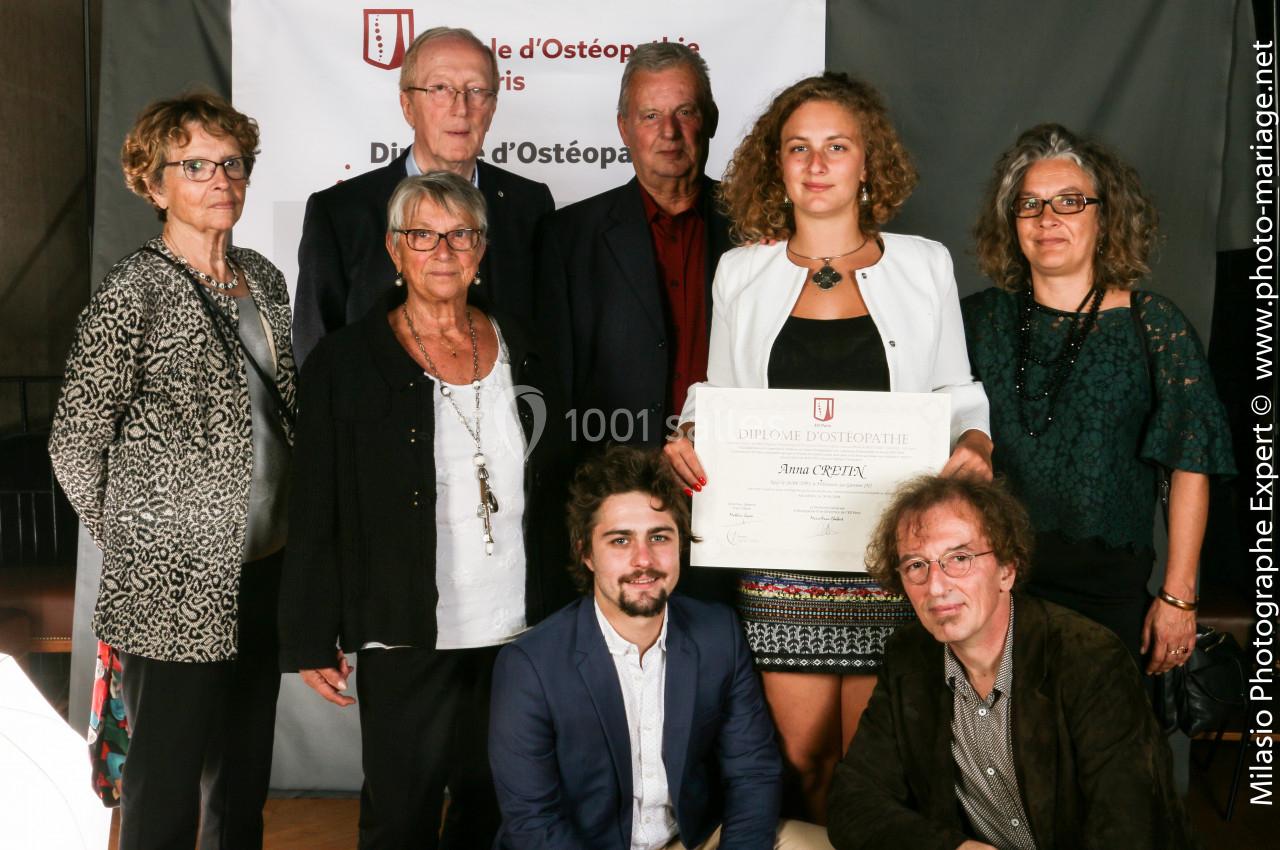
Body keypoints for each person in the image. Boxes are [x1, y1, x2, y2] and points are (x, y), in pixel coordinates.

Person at [663, 72, 991, 823]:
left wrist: (974, 441)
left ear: (868, 162)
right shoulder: (742, 272)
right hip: (783, 560)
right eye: (798, 148)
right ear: (776, 164)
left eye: (836, 147)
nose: (816, 164)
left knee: (879, 769)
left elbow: (957, 391)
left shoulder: (924, 264)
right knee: (802, 764)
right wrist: (691, 435)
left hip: (893, 556)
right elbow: (718, 395)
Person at [279, 171, 572, 849]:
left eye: (460, 235)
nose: (443, 251)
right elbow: (315, 502)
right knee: (401, 816)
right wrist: (309, 631)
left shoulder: (527, 347)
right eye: (423, 235)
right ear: (394, 249)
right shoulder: (346, 362)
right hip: (406, 626)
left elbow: (557, 483)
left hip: (519, 624)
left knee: (495, 805)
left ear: (481, 249)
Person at [48, 92, 295, 850]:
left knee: (243, 779)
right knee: (163, 782)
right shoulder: (134, 291)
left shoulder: (263, 279)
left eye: (233, 163)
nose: (221, 179)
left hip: (264, 568)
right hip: (172, 580)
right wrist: (141, 541)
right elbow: (73, 441)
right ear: (154, 186)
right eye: (196, 166)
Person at [962, 123, 1235, 674]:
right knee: (990, 731)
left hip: (1109, 595)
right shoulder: (977, 319)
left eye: (1069, 201)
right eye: (1030, 204)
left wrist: (1179, 597)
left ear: (1105, 218)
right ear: (1011, 221)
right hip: (989, 589)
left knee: (1105, 730)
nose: (1047, 219)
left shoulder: (1152, 325)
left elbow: (1190, 463)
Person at [488, 445, 833, 850]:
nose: (643, 559)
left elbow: (752, 772)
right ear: (586, 553)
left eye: (659, 537)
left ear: (680, 543)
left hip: (690, 840)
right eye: (620, 540)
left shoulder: (717, 633)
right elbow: (534, 823)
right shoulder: (530, 664)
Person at [827, 474, 1196, 850]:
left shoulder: (1090, 658)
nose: (935, 586)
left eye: (959, 558)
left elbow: (1130, 830)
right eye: (916, 566)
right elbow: (852, 802)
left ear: (1007, 570)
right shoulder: (908, 657)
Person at [293, 26, 554, 365]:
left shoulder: (530, 205)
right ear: (407, 106)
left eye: (476, 91)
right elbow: (315, 356)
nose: (461, 108)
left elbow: (546, 339)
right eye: (440, 89)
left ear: (492, 108)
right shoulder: (339, 213)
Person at [536, 42, 733, 452]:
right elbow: (554, 386)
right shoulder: (568, 237)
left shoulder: (758, 228)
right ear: (624, 128)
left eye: (685, 112)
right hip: (615, 475)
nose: (669, 132)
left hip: (733, 466)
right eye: (650, 116)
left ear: (711, 120)